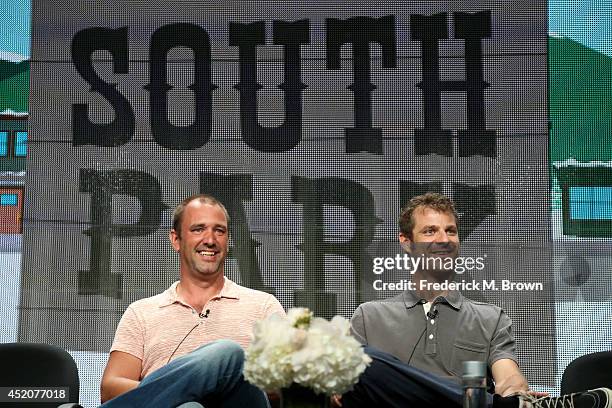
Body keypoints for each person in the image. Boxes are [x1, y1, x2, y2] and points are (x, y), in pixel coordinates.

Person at [335, 192, 611, 408]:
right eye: (430, 231)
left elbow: (507, 376)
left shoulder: (492, 318)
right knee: (367, 362)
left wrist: (514, 390)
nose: (444, 239)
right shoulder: (369, 316)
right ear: (406, 242)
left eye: (451, 231)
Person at [100, 194, 285, 408]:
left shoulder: (264, 307)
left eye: (220, 231)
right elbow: (110, 389)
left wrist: (222, 378)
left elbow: (289, 386)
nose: (210, 240)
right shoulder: (141, 313)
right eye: (198, 229)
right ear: (176, 239)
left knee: (229, 355)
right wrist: (189, 393)